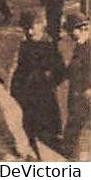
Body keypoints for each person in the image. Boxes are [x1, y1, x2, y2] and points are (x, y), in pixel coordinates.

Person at [11, 9, 67, 157]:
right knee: (28, 132)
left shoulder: (49, 45)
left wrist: (47, 81)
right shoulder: (25, 45)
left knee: (46, 134)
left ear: (40, 25)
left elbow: (61, 71)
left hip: (44, 98)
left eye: (32, 26)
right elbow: (20, 70)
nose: (29, 31)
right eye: (26, 28)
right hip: (26, 97)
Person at [63, 8, 91, 160]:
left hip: (84, 100)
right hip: (77, 100)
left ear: (80, 29)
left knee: (77, 138)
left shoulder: (89, 47)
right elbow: (71, 70)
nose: (68, 35)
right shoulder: (81, 45)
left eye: (70, 31)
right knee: (72, 139)